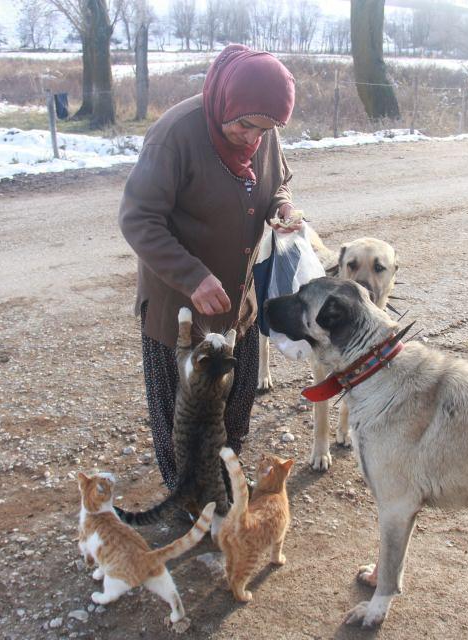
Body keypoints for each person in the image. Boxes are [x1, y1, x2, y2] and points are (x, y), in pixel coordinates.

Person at [118, 44, 302, 492]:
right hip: (179, 307)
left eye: (265, 130)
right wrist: (192, 276)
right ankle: (186, 497)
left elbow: (277, 184)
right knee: (181, 413)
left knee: (235, 403)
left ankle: (220, 481)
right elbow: (137, 219)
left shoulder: (263, 126)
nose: (252, 138)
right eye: (245, 126)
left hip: (237, 302)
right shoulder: (174, 135)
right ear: (227, 103)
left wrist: (282, 207)